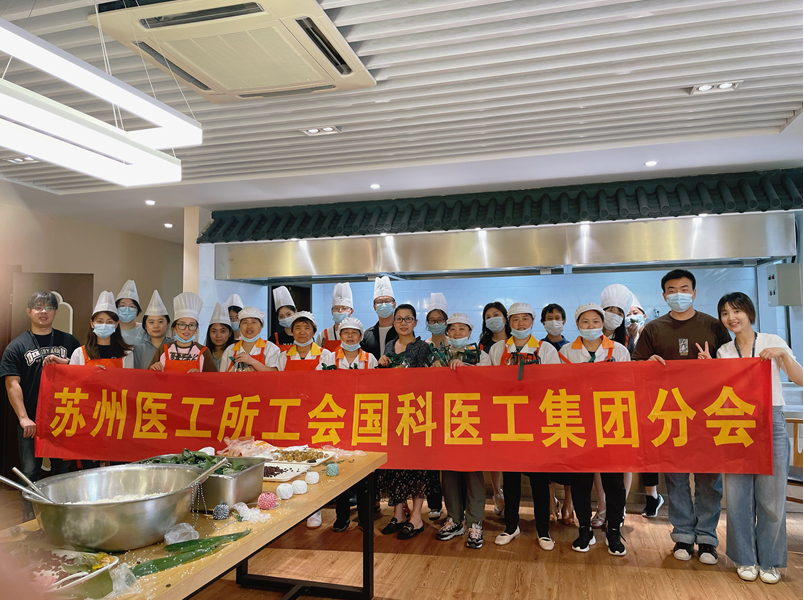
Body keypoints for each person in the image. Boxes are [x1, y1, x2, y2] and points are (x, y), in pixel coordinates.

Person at [700, 292, 802, 584]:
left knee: (771, 498)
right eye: (725, 313)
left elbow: (800, 378)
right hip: (735, 425)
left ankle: (769, 561)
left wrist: (782, 355)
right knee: (738, 497)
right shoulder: (724, 351)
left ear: (749, 313)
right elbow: (720, 391)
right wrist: (708, 367)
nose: (731, 318)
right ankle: (745, 558)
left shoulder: (772, 340)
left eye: (736, 311)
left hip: (771, 422)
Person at [633, 268, 731, 564]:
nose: (679, 294)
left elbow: (732, 368)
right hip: (670, 414)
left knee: (708, 480)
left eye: (684, 289)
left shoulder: (713, 326)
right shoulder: (653, 329)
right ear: (664, 296)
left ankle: (708, 538)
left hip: (707, 415)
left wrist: (713, 365)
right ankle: (683, 536)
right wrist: (648, 364)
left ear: (694, 293)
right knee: (675, 478)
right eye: (672, 290)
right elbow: (635, 368)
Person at [559, 303, 631, 556]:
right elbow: (560, 385)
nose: (590, 326)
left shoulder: (619, 350)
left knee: (614, 482)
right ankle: (584, 530)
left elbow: (628, 383)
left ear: (603, 324)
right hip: (578, 421)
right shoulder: (566, 351)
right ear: (577, 325)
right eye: (585, 322)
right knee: (581, 481)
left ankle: (614, 530)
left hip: (611, 420)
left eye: (595, 321)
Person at [0, 291, 79, 521]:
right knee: (29, 472)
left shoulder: (70, 342)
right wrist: (23, 417)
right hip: (31, 420)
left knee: (63, 471)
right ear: (29, 312)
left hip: (63, 418)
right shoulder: (17, 345)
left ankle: (63, 518)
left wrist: (67, 363)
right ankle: (31, 520)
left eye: (48, 307)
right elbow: (12, 384)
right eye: (38, 307)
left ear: (55, 311)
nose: (43, 311)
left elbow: (83, 374)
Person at [489, 302, 560, 550]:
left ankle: (543, 530)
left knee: (539, 479)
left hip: (536, 421)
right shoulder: (498, 349)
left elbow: (555, 383)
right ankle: (511, 526)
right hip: (508, 421)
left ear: (533, 321)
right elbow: (487, 382)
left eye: (525, 319)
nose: (520, 324)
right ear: (509, 323)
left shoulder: (545, 349)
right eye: (515, 319)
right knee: (510, 479)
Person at [377, 304, 439, 540]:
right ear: (393, 322)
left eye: (408, 318)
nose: (403, 323)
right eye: (399, 319)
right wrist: (382, 365)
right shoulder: (389, 346)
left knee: (417, 465)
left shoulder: (423, 348)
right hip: (395, 414)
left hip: (418, 414)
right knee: (396, 464)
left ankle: (416, 517)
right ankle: (398, 514)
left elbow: (429, 380)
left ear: (415, 322)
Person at [314, 317, 376, 532]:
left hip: (363, 417)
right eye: (346, 332)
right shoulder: (328, 357)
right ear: (339, 335)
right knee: (338, 465)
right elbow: (317, 384)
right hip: (336, 417)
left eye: (354, 332)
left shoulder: (370, 359)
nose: (350, 336)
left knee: (364, 467)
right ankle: (342, 516)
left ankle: (365, 516)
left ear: (361, 336)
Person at [436, 313, 490, 550]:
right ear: (447, 332)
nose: (457, 333)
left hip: (472, 422)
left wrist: (467, 369)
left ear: (470, 331)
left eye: (462, 329)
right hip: (445, 421)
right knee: (448, 473)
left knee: (473, 473)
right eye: (453, 329)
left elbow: (489, 383)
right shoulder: (438, 355)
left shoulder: (482, 356)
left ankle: (475, 522)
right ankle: (454, 519)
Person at [478, 301, 511, 516]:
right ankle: (497, 493)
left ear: (506, 318)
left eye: (496, 315)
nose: (492, 319)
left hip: (515, 403)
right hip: (490, 404)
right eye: (488, 316)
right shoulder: (482, 346)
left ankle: (511, 495)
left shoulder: (517, 341)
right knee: (495, 452)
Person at [149, 292, 216, 373]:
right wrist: (154, 370)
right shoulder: (163, 350)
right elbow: (148, 377)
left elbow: (213, 379)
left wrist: (200, 376)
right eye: (182, 324)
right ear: (174, 328)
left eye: (191, 325)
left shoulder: (204, 352)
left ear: (196, 329)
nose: (187, 329)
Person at [68, 291, 134, 368]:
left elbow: (128, 375)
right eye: (100, 321)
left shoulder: (126, 354)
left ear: (116, 325)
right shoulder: (79, 353)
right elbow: (73, 375)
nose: (104, 325)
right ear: (92, 324)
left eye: (109, 322)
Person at [221, 307, 280, 372]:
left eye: (253, 322)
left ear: (261, 326)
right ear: (240, 326)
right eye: (245, 322)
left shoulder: (270, 348)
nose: (249, 326)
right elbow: (221, 376)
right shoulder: (230, 350)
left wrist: (252, 362)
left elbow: (275, 373)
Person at [133, 290, 172, 369]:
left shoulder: (174, 346)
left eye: (160, 321)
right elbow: (136, 374)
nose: (156, 326)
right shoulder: (139, 349)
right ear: (145, 325)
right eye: (151, 322)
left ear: (167, 324)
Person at [361, 276, 399, 360]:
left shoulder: (401, 331)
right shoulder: (368, 335)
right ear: (374, 307)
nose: (384, 304)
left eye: (387, 301)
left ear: (394, 305)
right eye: (380, 302)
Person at [315, 283, 353, 352]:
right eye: (336, 308)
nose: (340, 311)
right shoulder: (323, 335)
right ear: (332, 311)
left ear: (351, 312)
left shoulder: (359, 334)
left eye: (344, 308)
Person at [115, 280, 148, 347]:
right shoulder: (110, 329)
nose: (127, 309)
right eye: (122, 306)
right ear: (116, 308)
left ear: (137, 310)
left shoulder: (144, 329)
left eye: (132, 306)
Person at [205, 303, 235, 371]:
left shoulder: (236, 353)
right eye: (214, 331)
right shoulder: (204, 354)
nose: (218, 335)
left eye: (223, 331)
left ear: (230, 333)